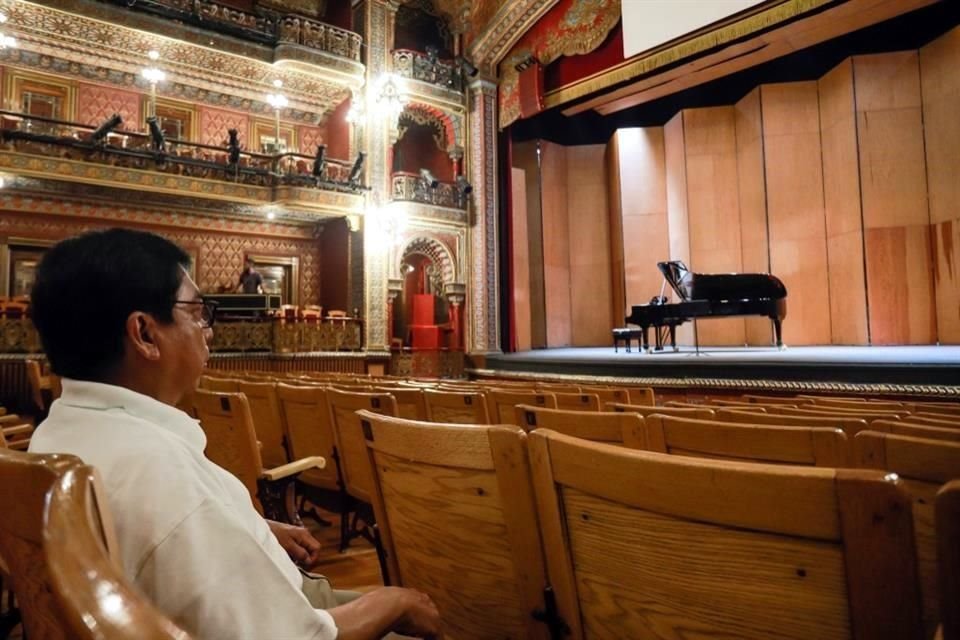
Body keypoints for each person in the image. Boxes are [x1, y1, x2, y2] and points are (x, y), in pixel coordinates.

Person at [28, 228, 441, 640]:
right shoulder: (159, 472)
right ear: (145, 334)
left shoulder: (58, 430)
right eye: (196, 312)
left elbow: (166, 538)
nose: (208, 330)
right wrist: (396, 602)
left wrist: (245, 528)